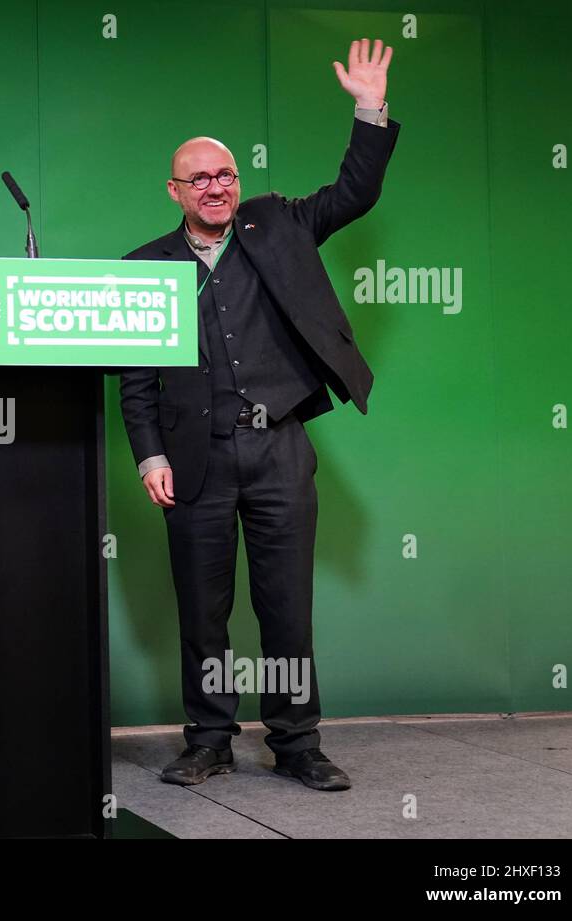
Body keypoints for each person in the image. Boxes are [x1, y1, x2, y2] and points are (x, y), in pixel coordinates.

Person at [118, 39, 398, 791]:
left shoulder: (278, 223)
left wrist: (368, 108)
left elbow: (354, 192)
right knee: (204, 613)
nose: (215, 187)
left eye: (225, 175)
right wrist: (151, 455)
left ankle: (297, 741)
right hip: (195, 458)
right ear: (173, 190)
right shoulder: (144, 268)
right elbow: (135, 379)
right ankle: (209, 737)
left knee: (285, 605)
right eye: (199, 178)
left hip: (279, 450)